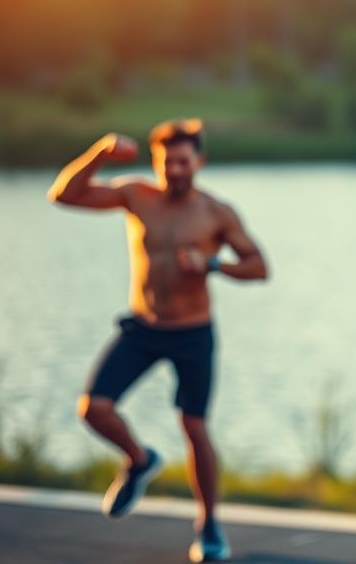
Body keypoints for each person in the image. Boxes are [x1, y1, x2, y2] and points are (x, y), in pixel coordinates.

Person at [47, 119, 269, 563]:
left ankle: (208, 525)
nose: (175, 170)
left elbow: (259, 267)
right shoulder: (137, 196)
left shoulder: (216, 213)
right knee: (94, 408)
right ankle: (139, 459)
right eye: (167, 162)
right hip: (144, 328)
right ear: (156, 162)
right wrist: (100, 154)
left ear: (199, 163)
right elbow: (64, 195)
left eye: (184, 162)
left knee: (194, 428)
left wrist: (212, 265)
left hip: (192, 333)